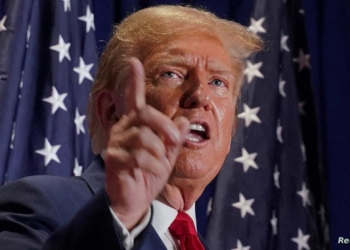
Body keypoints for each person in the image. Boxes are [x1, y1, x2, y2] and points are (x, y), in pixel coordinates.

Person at [0, 5, 263, 250]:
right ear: (111, 111)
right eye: (171, 74)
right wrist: (121, 214)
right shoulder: (41, 204)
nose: (201, 95)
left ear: (231, 130)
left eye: (218, 82)